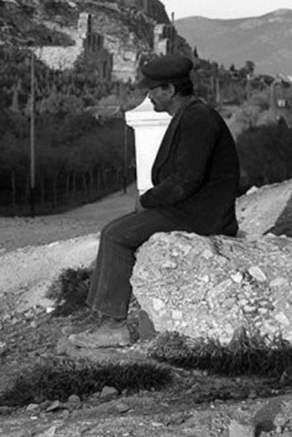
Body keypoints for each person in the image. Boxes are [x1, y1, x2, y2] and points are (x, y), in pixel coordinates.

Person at [68, 54, 240, 349]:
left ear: (170, 90)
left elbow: (186, 180)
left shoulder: (198, 119)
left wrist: (148, 200)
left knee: (116, 235)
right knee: (114, 230)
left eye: (153, 90)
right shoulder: (190, 114)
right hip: (190, 209)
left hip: (200, 216)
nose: (149, 96)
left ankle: (114, 326)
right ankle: (101, 317)